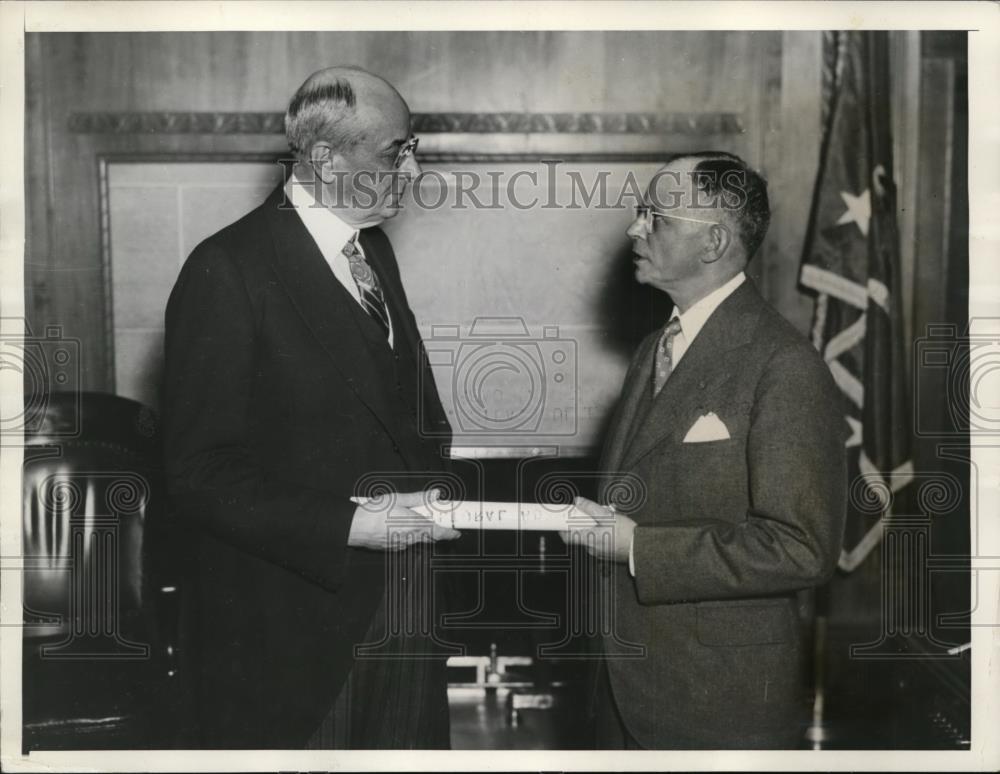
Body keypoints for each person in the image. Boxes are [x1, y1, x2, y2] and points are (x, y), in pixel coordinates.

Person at [162, 66, 458, 749]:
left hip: (404, 609)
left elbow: (409, 417)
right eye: (396, 152)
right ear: (325, 158)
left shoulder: (371, 249)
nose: (414, 171)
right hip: (295, 638)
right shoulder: (226, 269)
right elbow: (198, 474)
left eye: (413, 148)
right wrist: (352, 525)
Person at [566, 151, 848, 749]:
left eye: (656, 216)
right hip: (622, 690)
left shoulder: (784, 365)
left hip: (715, 706)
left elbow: (802, 549)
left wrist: (637, 546)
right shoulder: (653, 350)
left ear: (713, 241)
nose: (634, 228)